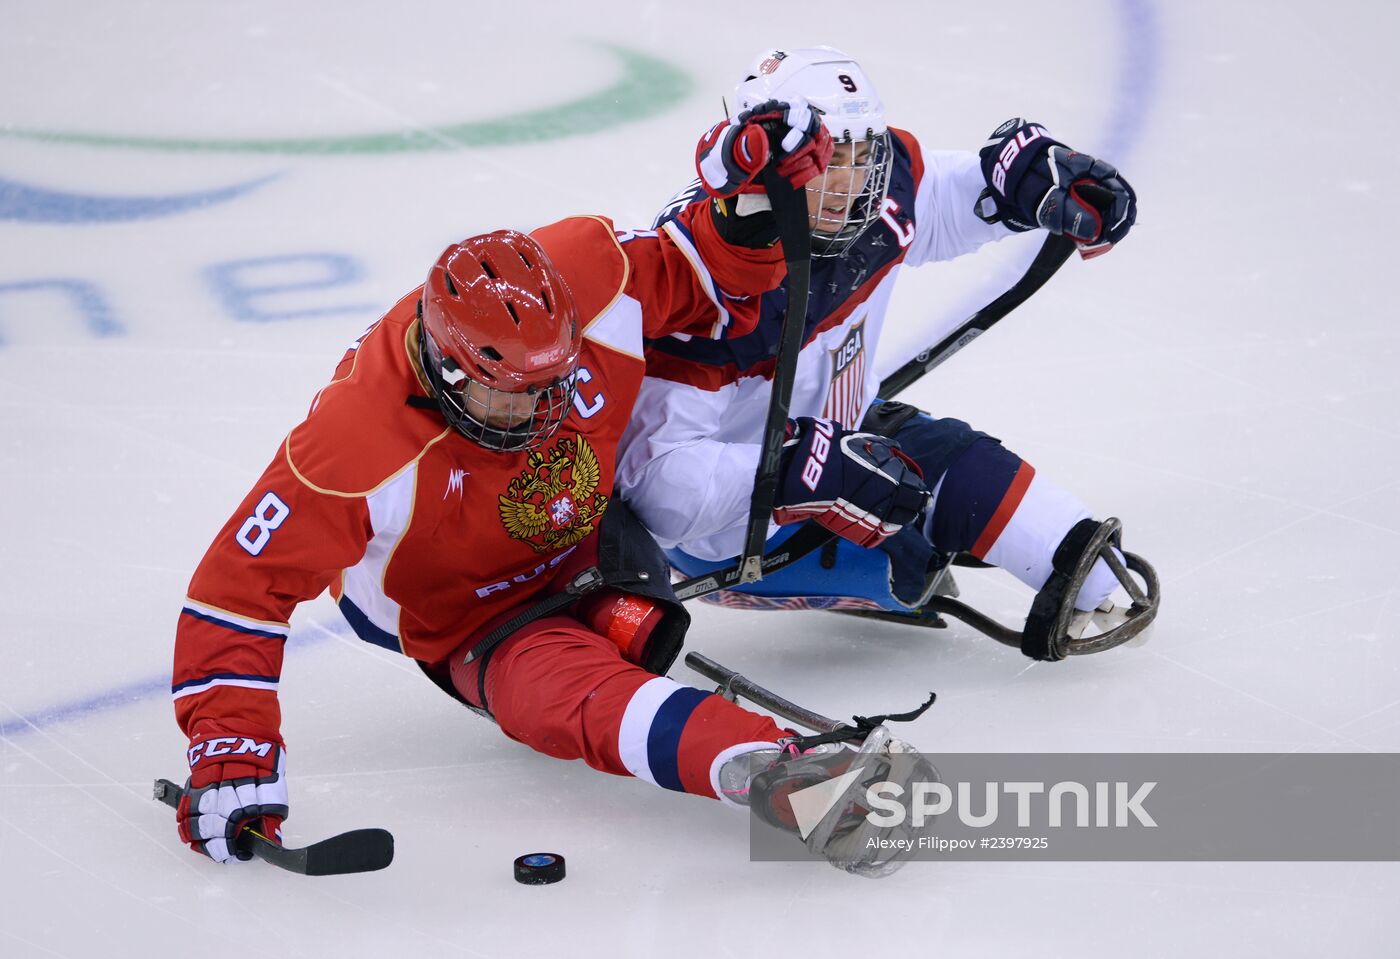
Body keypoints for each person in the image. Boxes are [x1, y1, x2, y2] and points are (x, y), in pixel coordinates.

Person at [170, 222, 931, 876]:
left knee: (642, 626)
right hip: (472, 617)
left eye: (551, 385)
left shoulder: (592, 269)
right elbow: (236, 591)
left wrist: (745, 219)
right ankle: (775, 768)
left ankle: (886, 561)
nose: (534, 413)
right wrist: (232, 754)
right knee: (574, 701)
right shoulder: (351, 445)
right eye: (506, 394)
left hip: (595, 535)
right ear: (445, 367)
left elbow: (703, 266)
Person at [615, 46, 1154, 660]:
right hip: (735, 534)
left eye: (861, 154)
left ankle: (1027, 554)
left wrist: (1021, 186)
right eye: (826, 159)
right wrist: (802, 469)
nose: (848, 182)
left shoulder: (873, 192)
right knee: (907, 556)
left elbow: (938, 200)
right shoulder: (701, 280)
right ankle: (892, 557)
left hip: (835, 437)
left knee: (969, 473)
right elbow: (655, 488)